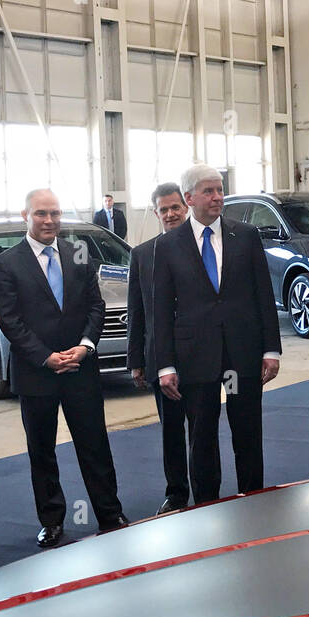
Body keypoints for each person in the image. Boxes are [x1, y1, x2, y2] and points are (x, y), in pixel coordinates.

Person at [0, 188, 129, 547]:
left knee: (95, 444)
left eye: (54, 213)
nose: (49, 220)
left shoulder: (78, 255)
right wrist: (45, 357)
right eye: (41, 213)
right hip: (37, 373)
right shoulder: (6, 263)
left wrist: (84, 347)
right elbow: (10, 320)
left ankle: (109, 512)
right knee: (42, 450)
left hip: (81, 369)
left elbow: (96, 306)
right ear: (26, 215)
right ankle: (51, 520)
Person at [152, 164, 281, 503]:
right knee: (202, 435)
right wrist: (165, 365)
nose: (217, 197)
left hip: (243, 351)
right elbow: (162, 310)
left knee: (248, 431)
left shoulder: (246, 235)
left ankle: (253, 499)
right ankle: (207, 506)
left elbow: (263, 296)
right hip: (196, 356)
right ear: (189, 198)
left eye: (220, 189)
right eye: (209, 191)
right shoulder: (168, 247)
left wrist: (272, 348)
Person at [127, 181, 190, 514]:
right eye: (163, 209)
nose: (170, 214)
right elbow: (136, 311)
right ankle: (176, 492)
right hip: (160, 358)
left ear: (186, 207)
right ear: (155, 213)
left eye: (175, 207)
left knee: (202, 427)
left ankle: (207, 490)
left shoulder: (202, 249)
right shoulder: (141, 255)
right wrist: (136, 360)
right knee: (170, 430)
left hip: (198, 356)